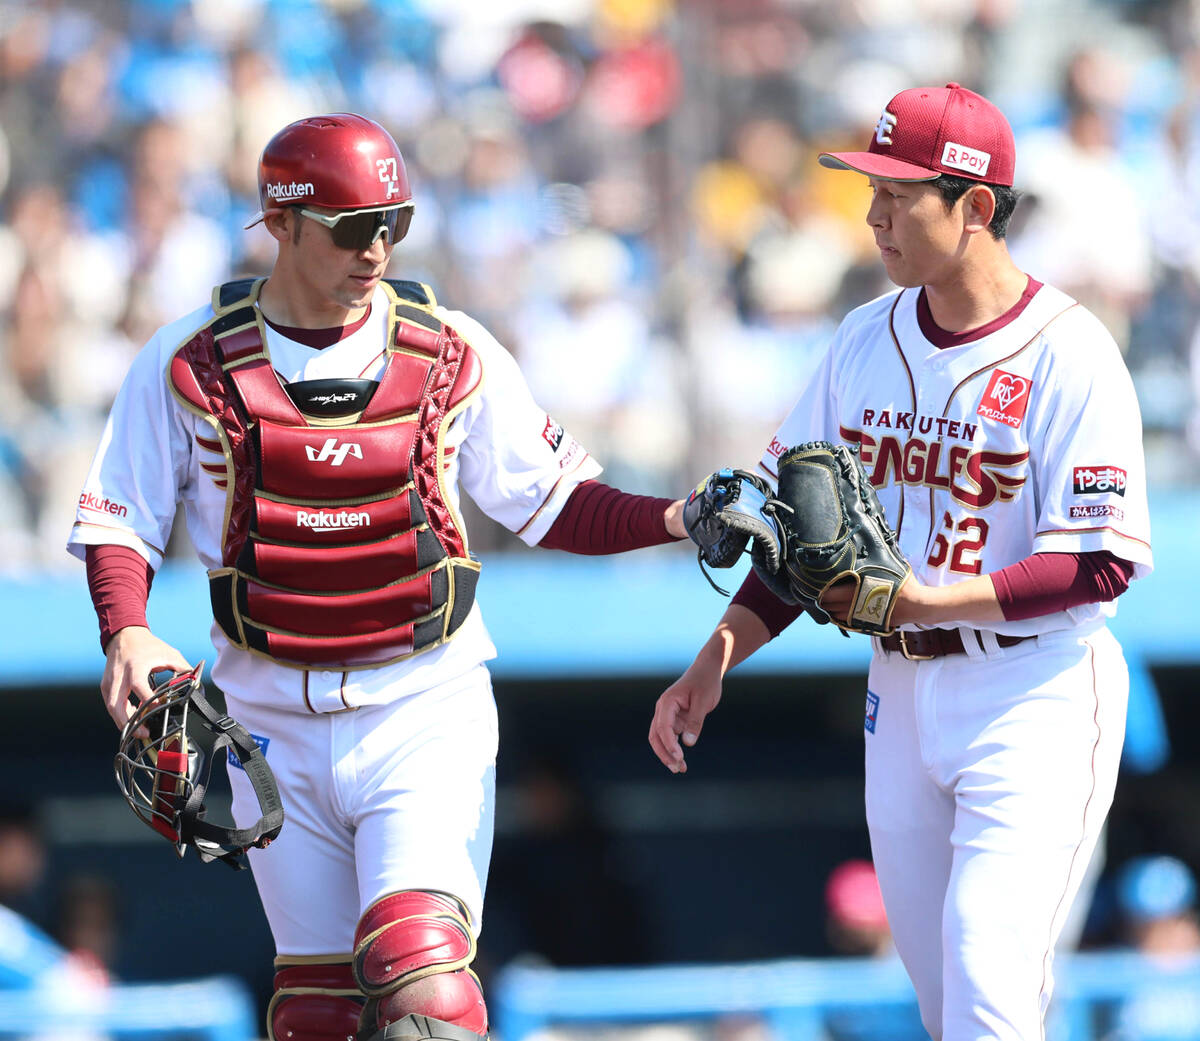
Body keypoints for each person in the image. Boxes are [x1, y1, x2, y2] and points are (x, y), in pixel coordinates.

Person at [68, 112, 688, 1041]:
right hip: (266, 714)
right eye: (352, 226)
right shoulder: (187, 358)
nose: (377, 248)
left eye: (391, 222)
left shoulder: (453, 349)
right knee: (316, 1014)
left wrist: (678, 517)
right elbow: (119, 516)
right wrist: (126, 626)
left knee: (424, 984)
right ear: (281, 223)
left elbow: (555, 502)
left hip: (420, 703)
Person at [649, 84, 1153, 1041]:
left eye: (897, 194)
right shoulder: (861, 340)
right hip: (900, 694)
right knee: (941, 1006)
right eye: (868, 188)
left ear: (974, 207)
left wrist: (923, 599)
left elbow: (1098, 564)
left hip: (1033, 689)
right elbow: (802, 543)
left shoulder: (1071, 353)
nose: (872, 214)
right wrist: (715, 657)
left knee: (990, 983)